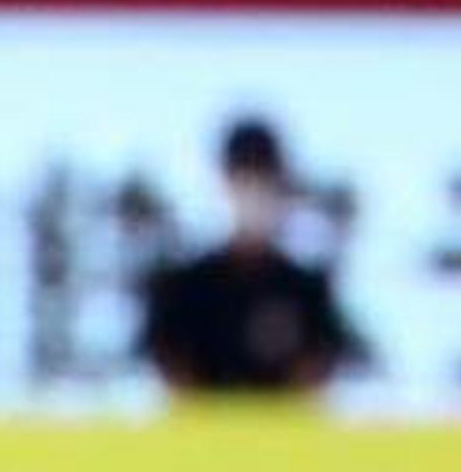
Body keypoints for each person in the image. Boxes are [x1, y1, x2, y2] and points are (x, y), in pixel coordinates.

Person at [141, 115, 362, 395]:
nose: (254, 191)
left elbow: (316, 376)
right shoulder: (183, 289)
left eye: (264, 178)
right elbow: (173, 375)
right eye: (244, 177)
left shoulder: (309, 293)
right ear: (225, 183)